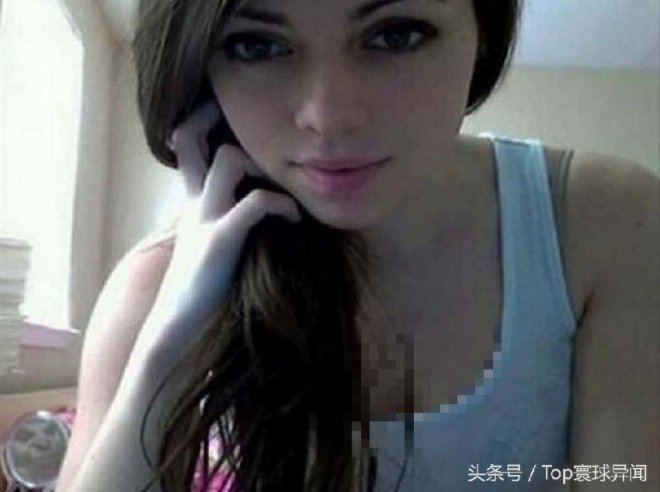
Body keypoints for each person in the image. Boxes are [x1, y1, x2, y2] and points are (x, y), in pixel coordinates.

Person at [56, 0, 659, 491]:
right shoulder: (157, 285)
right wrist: (166, 352)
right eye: (255, 45)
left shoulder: (599, 220)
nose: (329, 116)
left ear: (482, 31)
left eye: (396, 35)